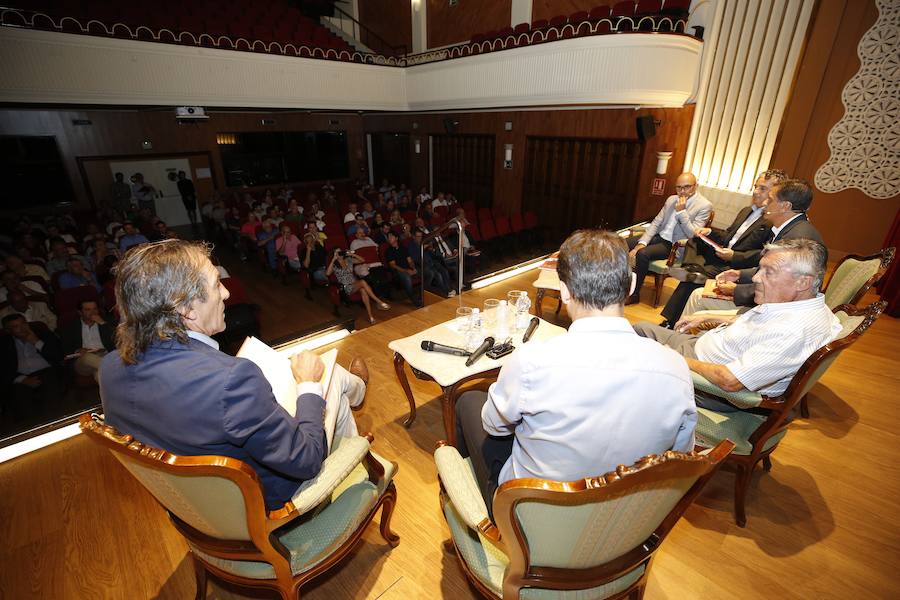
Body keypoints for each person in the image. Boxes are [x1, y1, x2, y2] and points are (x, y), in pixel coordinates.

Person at [100, 240, 369, 512]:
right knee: (328, 377)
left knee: (331, 385)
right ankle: (351, 481)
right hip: (265, 503)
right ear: (187, 308)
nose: (227, 293)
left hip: (200, 509)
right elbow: (306, 458)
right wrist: (309, 384)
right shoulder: (230, 381)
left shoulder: (110, 368)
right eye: (217, 283)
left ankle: (356, 390)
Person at [455, 229, 697, 517]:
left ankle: (474, 512)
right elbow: (680, 455)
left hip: (534, 517)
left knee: (468, 401)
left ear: (564, 290)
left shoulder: (531, 361)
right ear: (631, 285)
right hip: (622, 518)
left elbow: (494, 426)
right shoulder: (676, 369)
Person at [634, 239, 840, 409]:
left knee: (632, 361)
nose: (757, 278)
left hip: (710, 387)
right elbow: (761, 325)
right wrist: (708, 318)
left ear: (803, 282)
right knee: (639, 329)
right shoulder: (801, 305)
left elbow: (730, 381)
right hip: (705, 349)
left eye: (769, 272)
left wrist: (673, 357)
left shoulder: (794, 331)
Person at [658, 169, 786, 326]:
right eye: (755, 186)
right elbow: (728, 236)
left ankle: (670, 321)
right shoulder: (746, 211)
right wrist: (710, 231)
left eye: (763, 189)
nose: (755, 192)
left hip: (736, 264)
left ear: (776, 193)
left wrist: (734, 255)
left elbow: (763, 254)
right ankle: (693, 268)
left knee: (689, 282)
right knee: (695, 239)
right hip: (722, 254)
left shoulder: (771, 219)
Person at [681, 179, 826, 316]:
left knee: (697, 298)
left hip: (777, 312)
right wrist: (739, 274)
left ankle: (684, 340)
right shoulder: (790, 229)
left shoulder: (797, 240)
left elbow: (781, 286)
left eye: (770, 199)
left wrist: (736, 290)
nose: (764, 203)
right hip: (773, 303)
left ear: (785, 206)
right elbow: (771, 273)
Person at [626, 172, 712, 305]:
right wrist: (642, 242)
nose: (682, 191)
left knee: (642, 254)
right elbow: (656, 222)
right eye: (678, 187)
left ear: (696, 186)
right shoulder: (671, 199)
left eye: (687, 187)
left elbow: (692, 235)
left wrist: (682, 212)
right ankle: (620, 285)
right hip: (659, 236)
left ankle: (634, 294)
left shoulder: (704, 205)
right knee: (621, 244)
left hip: (674, 245)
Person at [1, 313, 64, 420]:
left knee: (51, 386)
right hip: (21, 377)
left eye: (23, 324)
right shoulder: (4, 343)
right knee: (19, 396)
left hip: (46, 371)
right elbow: (3, 368)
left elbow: (58, 355)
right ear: (8, 330)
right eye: (16, 327)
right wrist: (22, 379)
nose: (22, 329)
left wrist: (36, 342)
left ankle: (53, 421)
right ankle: (34, 428)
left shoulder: (43, 334)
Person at [325, 248, 391, 324]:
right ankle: (378, 301)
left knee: (363, 290)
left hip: (355, 284)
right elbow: (327, 274)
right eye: (337, 252)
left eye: (340, 252)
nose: (339, 253)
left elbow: (362, 260)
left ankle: (371, 317)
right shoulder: (334, 265)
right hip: (346, 287)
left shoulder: (348, 260)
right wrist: (333, 259)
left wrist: (351, 254)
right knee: (363, 282)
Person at [59, 299, 115, 381]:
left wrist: (103, 324)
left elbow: (118, 339)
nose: (93, 312)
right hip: (82, 361)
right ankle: (116, 370)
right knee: (87, 357)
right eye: (88, 310)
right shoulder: (70, 327)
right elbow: (65, 348)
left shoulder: (107, 322)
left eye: (95, 309)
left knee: (99, 375)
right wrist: (77, 350)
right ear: (80, 312)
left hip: (105, 355)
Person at [384, 231, 422, 306]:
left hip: (408, 268)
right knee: (407, 278)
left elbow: (410, 260)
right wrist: (406, 270)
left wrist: (413, 268)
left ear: (396, 238)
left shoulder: (403, 248)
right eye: (388, 237)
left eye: (391, 237)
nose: (389, 239)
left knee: (426, 272)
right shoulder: (388, 251)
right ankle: (414, 300)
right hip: (398, 271)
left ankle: (421, 295)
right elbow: (393, 265)